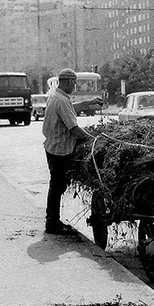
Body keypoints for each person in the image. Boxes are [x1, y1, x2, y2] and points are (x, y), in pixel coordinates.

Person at [42, 68, 103, 235]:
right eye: (74, 83)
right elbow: (74, 128)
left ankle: (52, 221)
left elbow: (69, 108)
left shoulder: (56, 96)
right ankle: (52, 223)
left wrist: (87, 102)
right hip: (60, 150)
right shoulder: (61, 100)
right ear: (68, 82)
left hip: (52, 146)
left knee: (56, 186)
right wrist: (94, 139)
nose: (75, 86)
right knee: (57, 187)